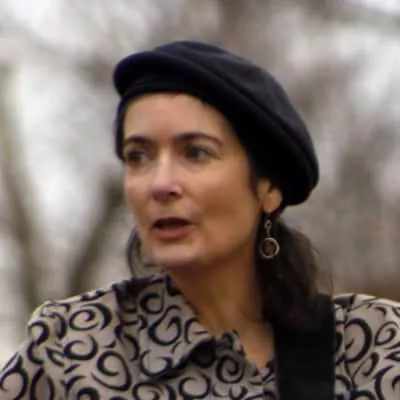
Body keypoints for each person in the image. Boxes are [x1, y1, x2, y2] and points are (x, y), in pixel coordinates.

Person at [0, 40, 399, 400]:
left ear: (267, 187)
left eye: (195, 152)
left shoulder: (369, 348)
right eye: (138, 156)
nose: (160, 184)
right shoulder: (70, 352)